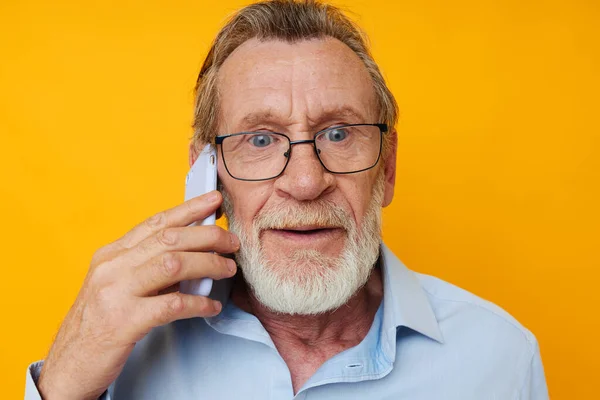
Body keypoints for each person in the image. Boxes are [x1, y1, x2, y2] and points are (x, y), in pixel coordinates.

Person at [25, 1, 549, 399]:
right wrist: (65, 379)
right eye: (260, 139)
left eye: (339, 134)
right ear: (208, 175)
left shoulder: (500, 356)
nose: (305, 182)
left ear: (387, 169)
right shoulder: (123, 353)